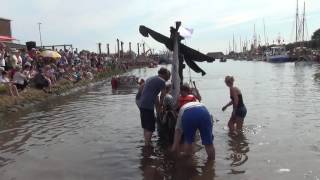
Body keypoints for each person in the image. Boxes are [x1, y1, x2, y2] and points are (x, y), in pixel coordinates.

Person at [138, 67, 171, 146]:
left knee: (146, 126)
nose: (168, 78)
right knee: (150, 127)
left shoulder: (151, 78)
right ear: (165, 74)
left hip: (142, 104)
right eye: (168, 76)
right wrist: (161, 106)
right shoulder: (162, 81)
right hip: (148, 105)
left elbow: (145, 90)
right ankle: (147, 146)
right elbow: (162, 95)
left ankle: (147, 142)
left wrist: (157, 106)